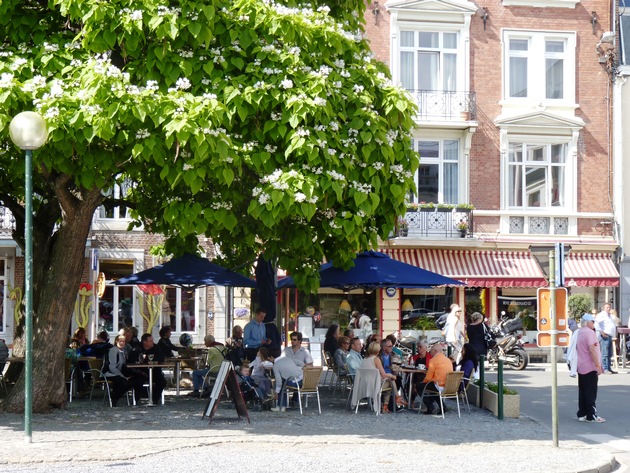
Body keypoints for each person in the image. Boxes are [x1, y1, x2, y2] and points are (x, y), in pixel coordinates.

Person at [575, 313, 605, 422]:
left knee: (583, 391)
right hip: (590, 366)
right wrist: (598, 365)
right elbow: (592, 349)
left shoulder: (579, 332)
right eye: (593, 321)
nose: (594, 323)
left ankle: (582, 413)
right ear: (588, 323)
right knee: (591, 392)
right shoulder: (589, 333)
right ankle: (591, 415)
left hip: (581, 365)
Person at [103, 335, 144, 407]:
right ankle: (115, 397)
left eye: (124, 341)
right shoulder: (113, 350)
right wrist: (123, 376)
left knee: (139, 378)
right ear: (116, 341)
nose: (122, 343)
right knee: (124, 382)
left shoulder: (124, 351)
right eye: (120, 341)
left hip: (120, 372)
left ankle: (136, 399)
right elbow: (112, 367)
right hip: (110, 373)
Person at [128, 333, 167, 405]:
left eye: (152, 340)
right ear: (144, 342)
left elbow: (161, 358)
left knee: (162, 382)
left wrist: (151, 360)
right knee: (137, 381)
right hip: (141, 371)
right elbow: (131, 359)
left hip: (155, 371)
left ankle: (154, 399)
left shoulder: (156, 348)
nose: (152, 342)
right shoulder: (137, 348)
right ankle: (136, 399)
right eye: (150, 341)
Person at [362, 341, 400, 413]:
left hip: (366, 384)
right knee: (391, 381)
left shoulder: (365, 359)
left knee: (390, 381)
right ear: (377, 349)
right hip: (375, 385)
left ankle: (392, 402)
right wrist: (392, 376)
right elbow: (384, 374)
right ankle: (388, 404)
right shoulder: (376, 359)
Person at [416, 342, 453, 415]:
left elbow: (428, 378)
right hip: (448, 386)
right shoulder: (448, 360)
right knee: (431, 388)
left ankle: (430, 406)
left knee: (420, 386)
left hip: (438, 385)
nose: (430, 352)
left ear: (435, 351)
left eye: (431, 351)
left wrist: (423, 382)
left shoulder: (433, 360)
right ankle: (442, 406)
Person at [595, 303, 617, 374]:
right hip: (605, 335)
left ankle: (609, 368)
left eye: (609, 307)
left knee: (609, 353)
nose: (609, 309)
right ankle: (604, 369)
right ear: (603, 308)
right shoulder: (601, 315)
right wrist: (602, 332)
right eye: (607, 307)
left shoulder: (609, 316)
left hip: (610, 335)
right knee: (604, 353)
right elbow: (596, 323)